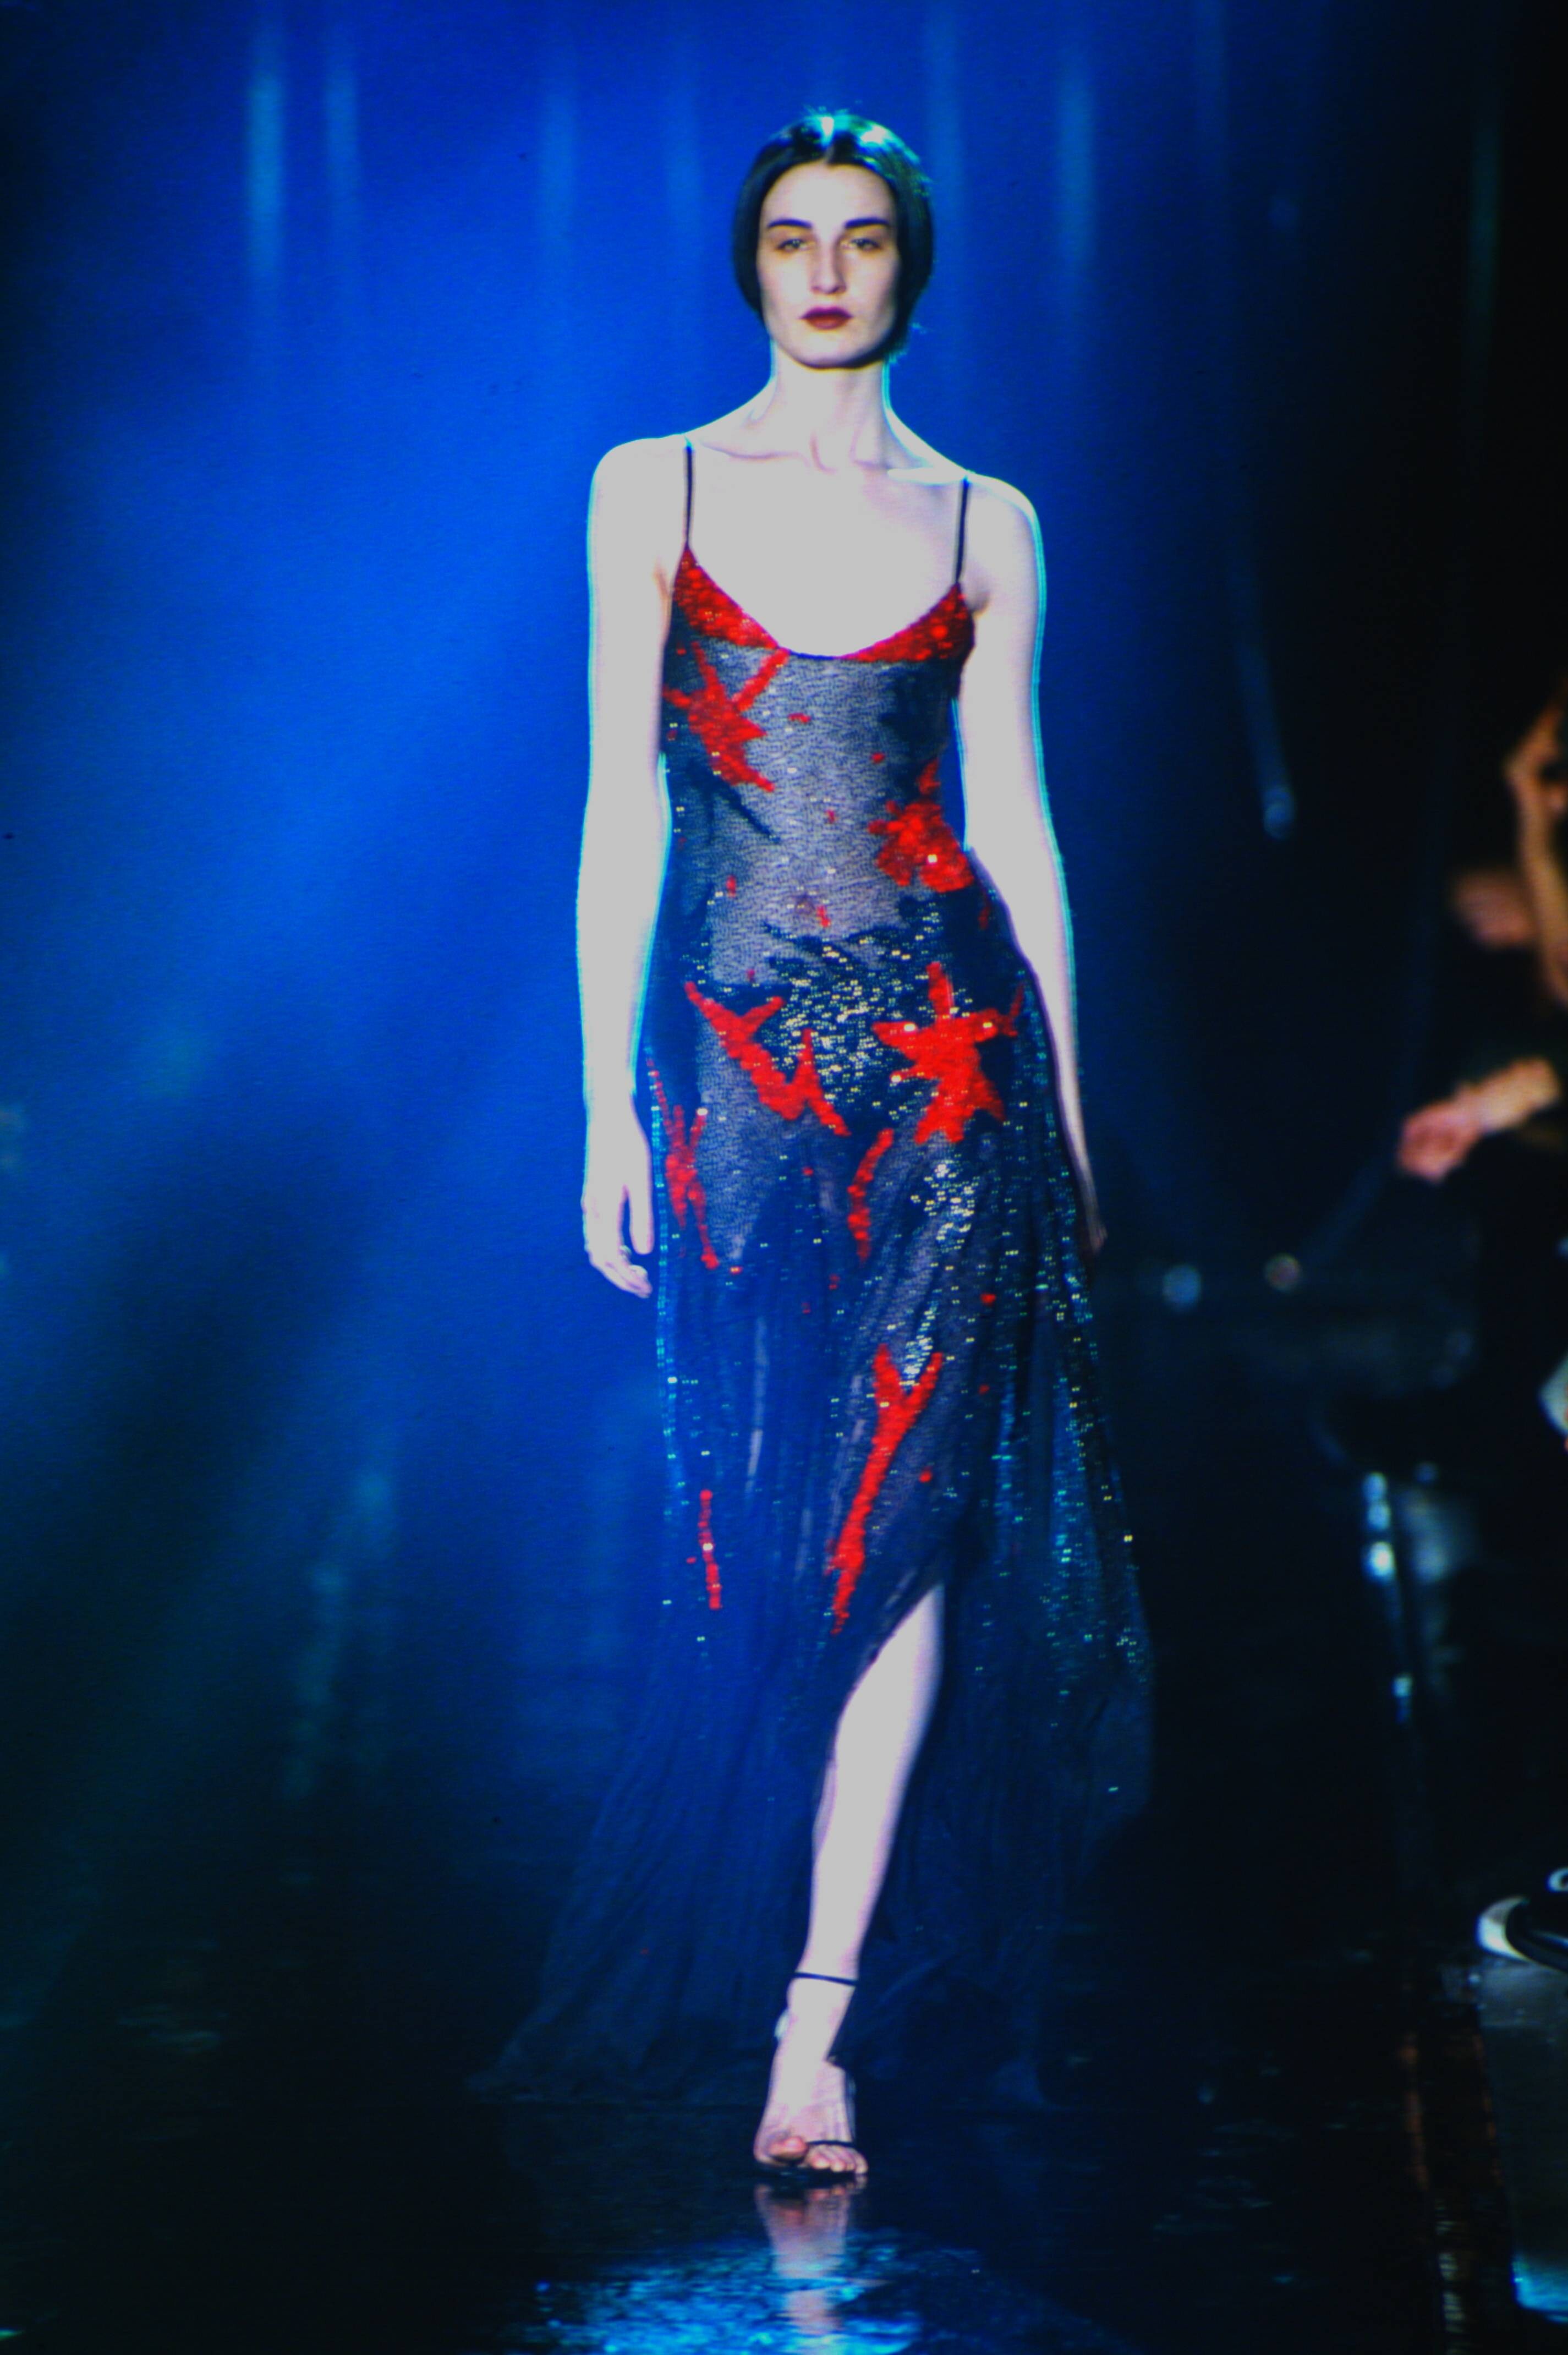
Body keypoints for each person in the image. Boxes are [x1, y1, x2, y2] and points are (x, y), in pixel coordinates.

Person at [480, 112, 1150, 2178]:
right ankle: (762, 1929)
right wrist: (598, 1098)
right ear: (751, 264)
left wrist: (1071, 1109)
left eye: (863, 238)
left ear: (911, 266)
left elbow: (1016, 821)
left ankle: (815, 2024)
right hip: (731, 1077)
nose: (830, 270)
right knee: (758, 1519)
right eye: (794, 237)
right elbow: (619, 806)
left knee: (911, 1507)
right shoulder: (653, 486)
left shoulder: (985, 522)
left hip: (953, 1069)